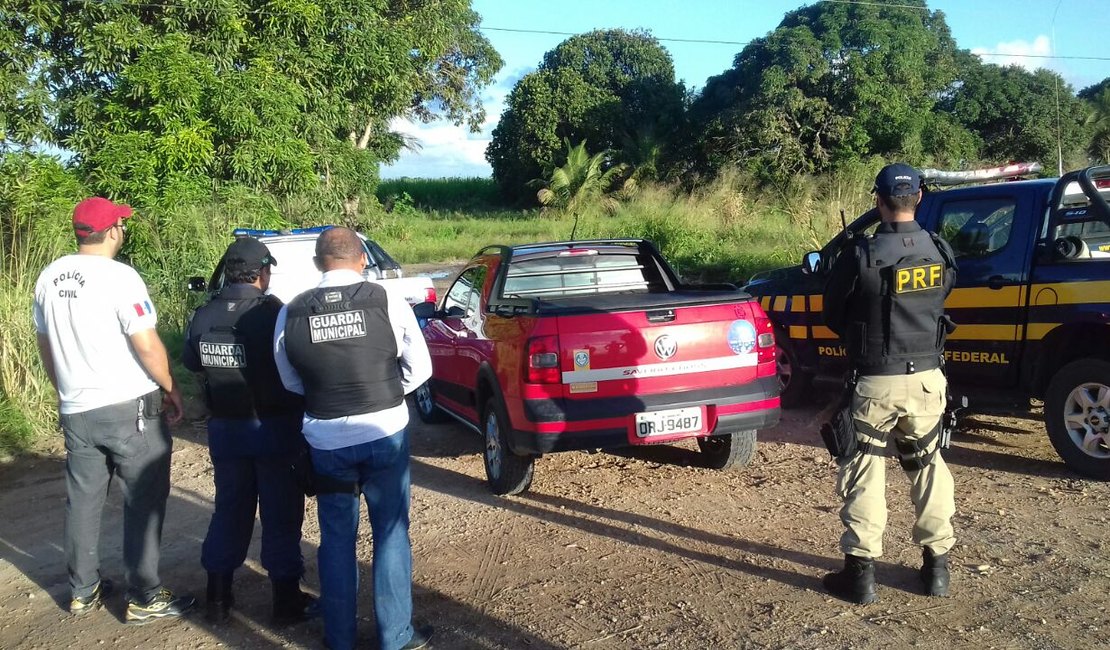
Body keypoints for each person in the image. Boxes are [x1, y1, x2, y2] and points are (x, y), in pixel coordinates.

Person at [33, 197, 196, 623]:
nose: (123, 229)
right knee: (142, 499)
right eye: (121, 224)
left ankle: (82, 591)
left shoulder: (48, 277)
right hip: (129, 407)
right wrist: (172, 386)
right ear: (111, 232)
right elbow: (145, 344)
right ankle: (143, 595)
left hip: (76, 407)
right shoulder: (121, 278)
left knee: (82, 501)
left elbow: (46, 346)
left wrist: (65, 388)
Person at [273, 227, 433, 650]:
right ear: (363, 260)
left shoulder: (290, 309)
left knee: (337, 537)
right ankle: (395, 636)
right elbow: (421, 367)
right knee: (391, 532)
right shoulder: (386, 299)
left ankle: (339, 637)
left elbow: (289, 378)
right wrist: (386, 395)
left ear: (316, 264)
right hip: (385, 432)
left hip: (325, 439)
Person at [821, 163, 959, 604]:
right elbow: (943, 298)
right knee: (929, 467)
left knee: (865, 470)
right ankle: (937, 568)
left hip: (874, 382)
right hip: (927, 380)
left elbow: (832, 316)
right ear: (918, 198)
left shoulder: (859, 254)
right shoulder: (939, 250)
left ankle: (860, 576)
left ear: (877, 200)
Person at [182, 237, 316, 625]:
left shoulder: (203, 314)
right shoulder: (274, 313)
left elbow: (192, 363)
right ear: (262, 272)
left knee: (230, 508)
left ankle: (218, 597)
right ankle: (285, 601)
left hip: (225, 429)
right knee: (280, 513)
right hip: (273, 428)